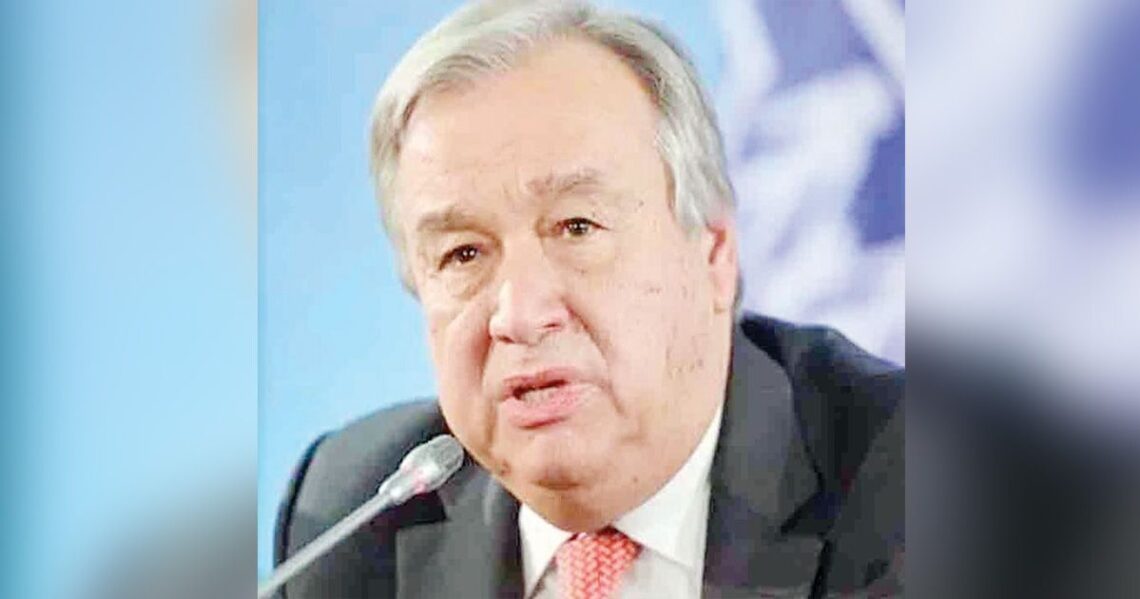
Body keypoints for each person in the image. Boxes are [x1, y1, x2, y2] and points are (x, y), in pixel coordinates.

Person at [273, 1, 903, 597]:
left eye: (577, 227)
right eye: (463, 254)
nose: (520, 316)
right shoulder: (348, 518)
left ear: (714, 253)